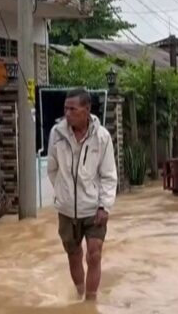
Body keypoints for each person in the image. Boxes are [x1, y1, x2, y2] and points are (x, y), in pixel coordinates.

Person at [47, 88, 118, 301]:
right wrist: (63, 193)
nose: (67, 113)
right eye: (65, 108)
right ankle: (79, 295)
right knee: (74, 255)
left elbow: (108, 175)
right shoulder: (57, 134)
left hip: (93, 208)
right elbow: (52, 169)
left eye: (73, 109)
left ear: (86, 110)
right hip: (67, 209)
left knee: (94, 254)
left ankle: (90, 302)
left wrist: (104, 206)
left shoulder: (102, 137)